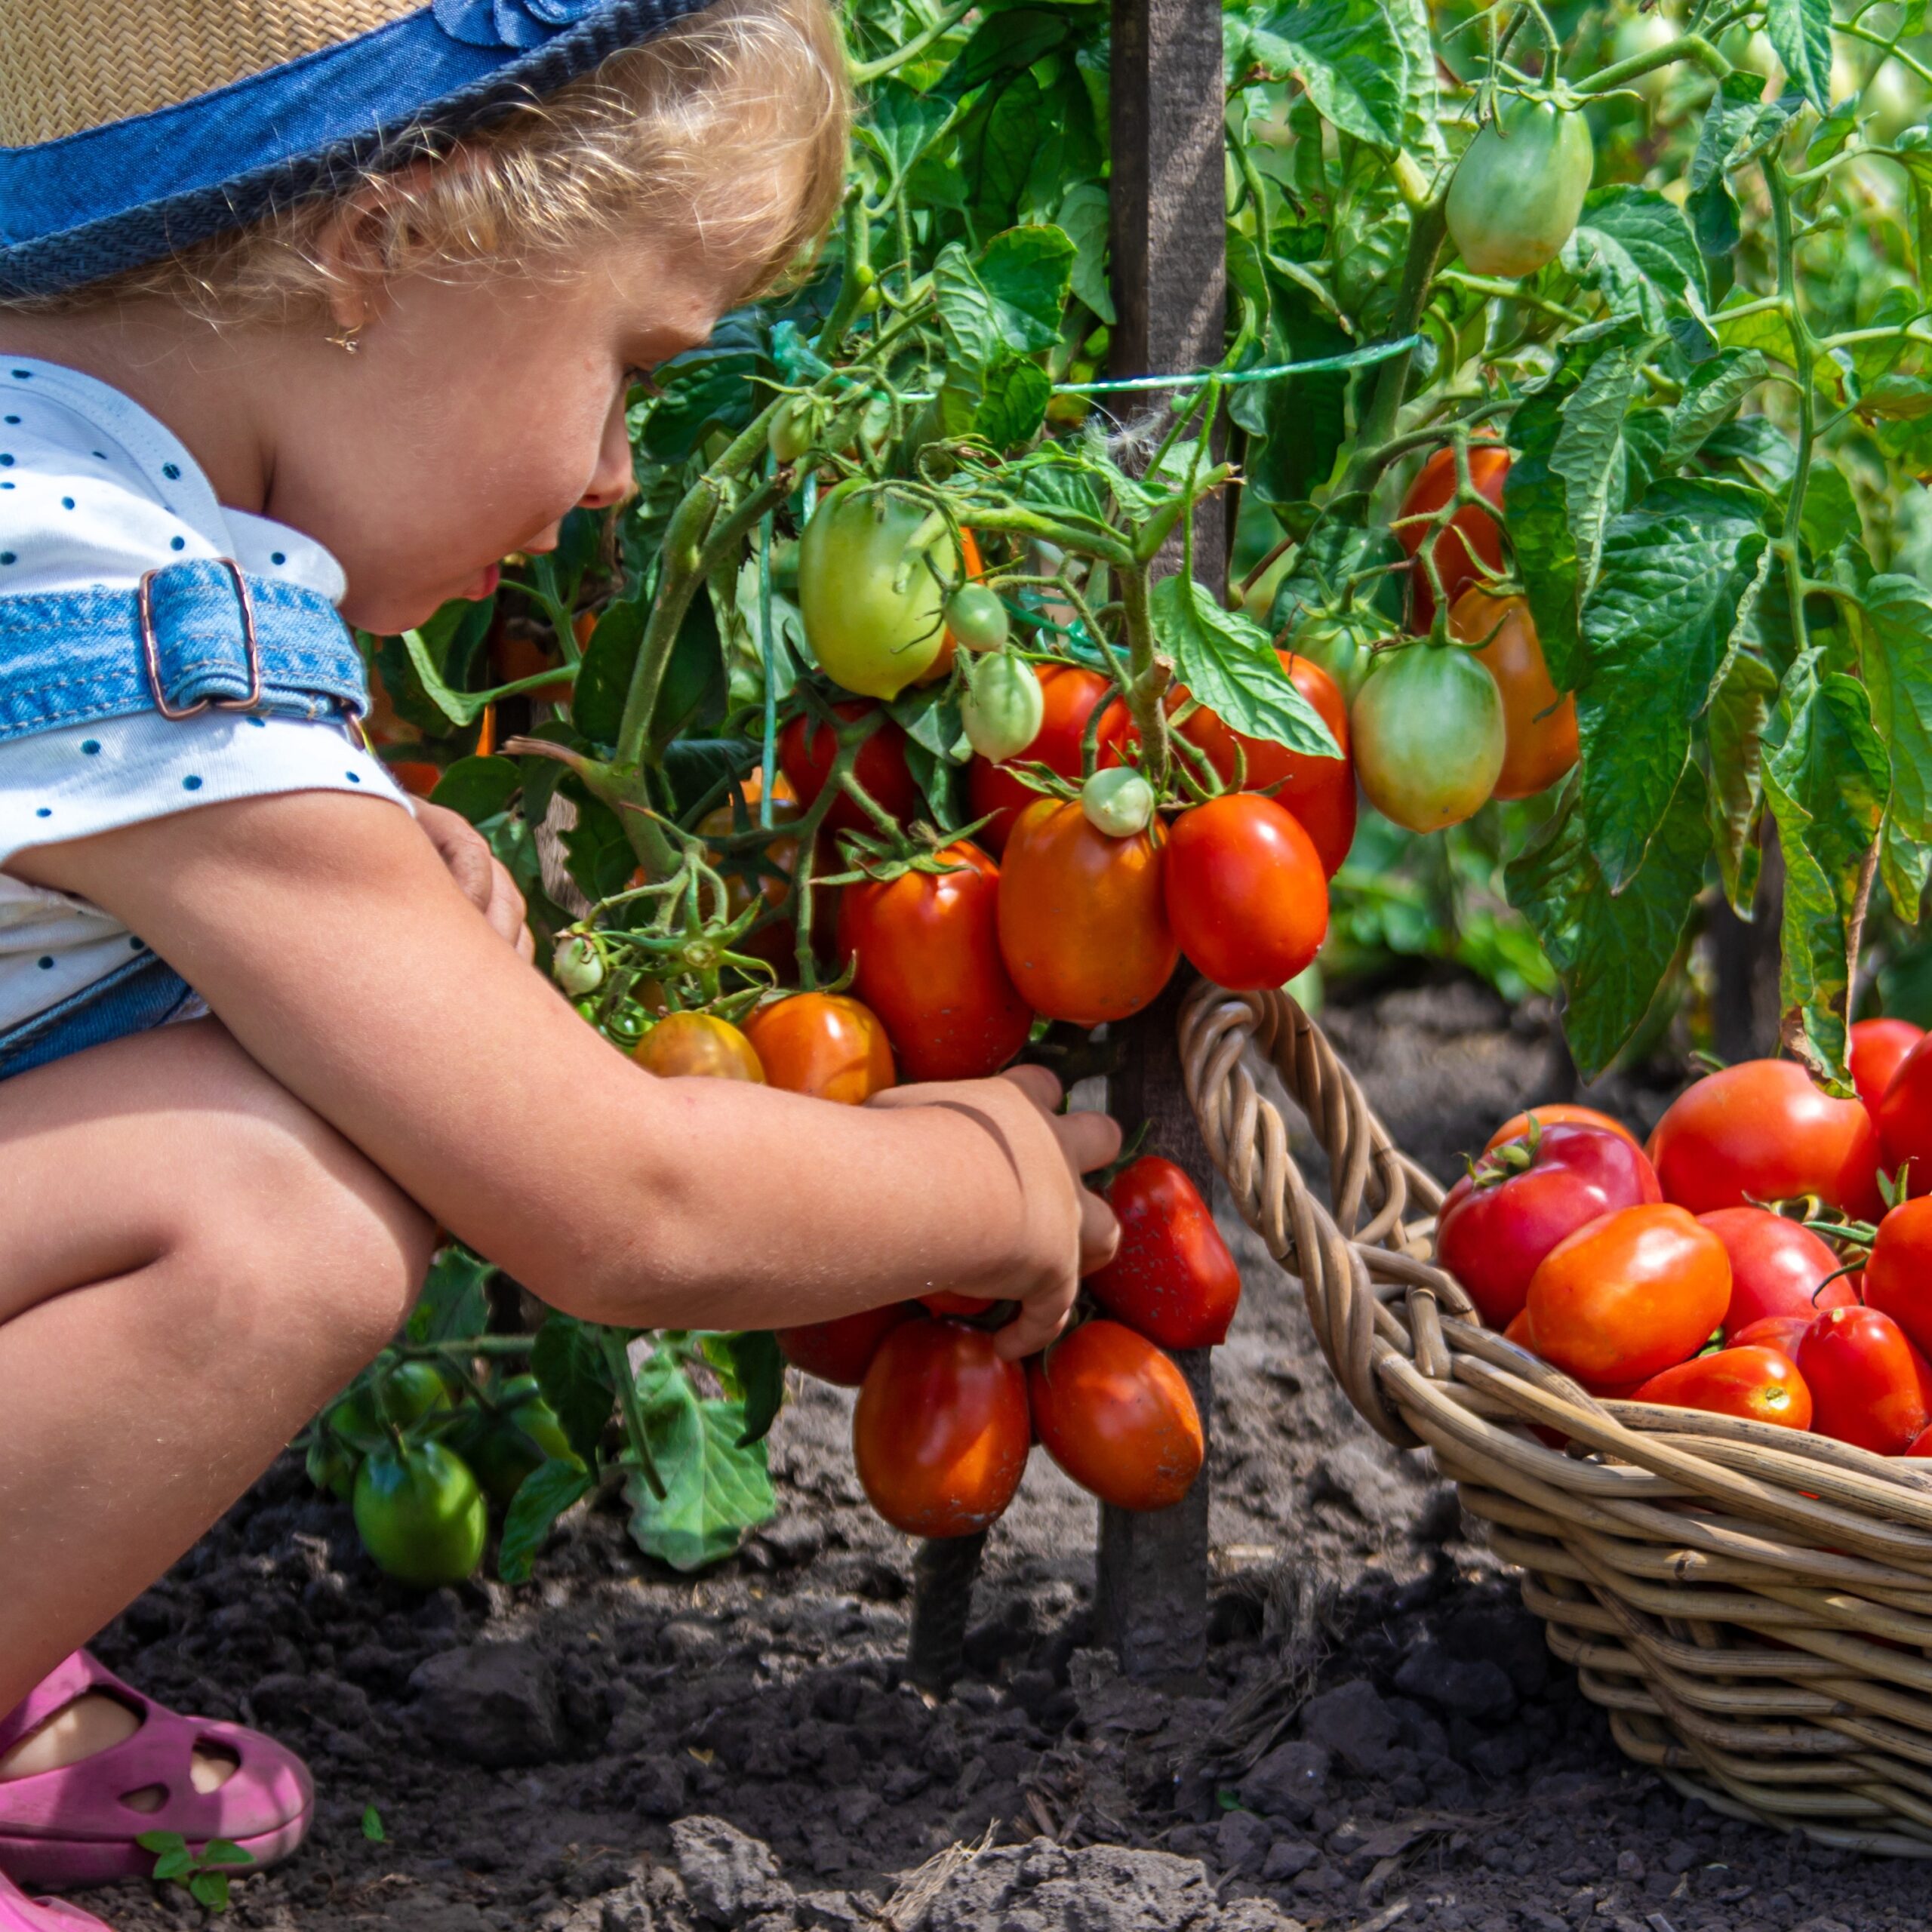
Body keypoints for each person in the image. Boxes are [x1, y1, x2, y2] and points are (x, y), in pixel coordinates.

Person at [0, 4, 1121, 1924]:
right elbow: (620, 1197)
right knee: (276, 1211)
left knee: (276, 1095)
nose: (615, 470)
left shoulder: (60, 486)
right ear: (387, 244)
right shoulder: (114, 595)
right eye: (629, 365)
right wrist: (982, 1178)